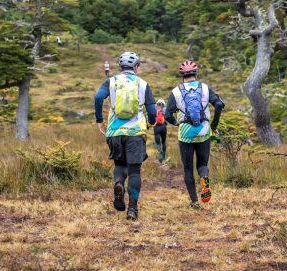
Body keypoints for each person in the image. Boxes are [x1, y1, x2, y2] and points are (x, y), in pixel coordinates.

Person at [94, 51, 157, 220]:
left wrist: (99, 119)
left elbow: (98, 97)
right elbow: (152, 110)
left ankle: (119, 183)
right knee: (135, 171)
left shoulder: (111, 81)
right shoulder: (143, 84)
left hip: (115, 132)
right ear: (136, 67)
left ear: (120, 67)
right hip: (136, 132)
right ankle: (132, 209)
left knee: (120, 165)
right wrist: (151, 122)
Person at [164, 60, 224, 209]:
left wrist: (176, 123)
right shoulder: (205, 88)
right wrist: (214, 125)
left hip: (185, 134)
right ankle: (204, 178)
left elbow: (167, 115)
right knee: (202, 164)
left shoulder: (176, 92)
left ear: (182, 75)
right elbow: (218, 104)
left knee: (188, 168)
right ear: (195, 74)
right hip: (203, 131)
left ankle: (195, 201)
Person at [154, 99, 168, 164]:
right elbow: (168, 116)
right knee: (164, 141)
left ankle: (160, 154)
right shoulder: (164, 109)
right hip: (163, 127)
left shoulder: (154, 108)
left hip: (156, 127)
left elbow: (150, 115)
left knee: (157, 143)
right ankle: (163, 157)